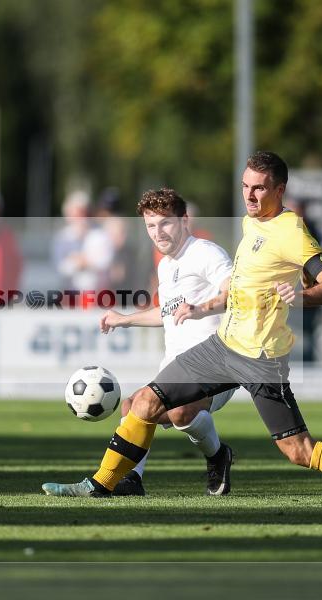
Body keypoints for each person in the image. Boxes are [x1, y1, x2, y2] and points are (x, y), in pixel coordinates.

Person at [43, 151, 322, 501]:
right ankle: (100, 485)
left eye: (259, 188)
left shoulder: (291, 231)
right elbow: (242, 287)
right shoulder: (252, 223)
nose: (249, 195)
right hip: (222, 347)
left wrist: (301, 296)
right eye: (245, 186)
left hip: (261, 359)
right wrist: (203, 308)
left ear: (279, 190)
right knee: (144, 402)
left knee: (299, 451)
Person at [98, 188, 235, 496]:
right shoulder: (166, 264)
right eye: (150, 225)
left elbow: (234, 294)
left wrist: (201, 309)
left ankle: (217, 455)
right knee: (132, 406)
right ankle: (132, 479)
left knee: (179, 412)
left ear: (184, 221)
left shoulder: (206, 252)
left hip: (217, 363)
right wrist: (124, 319)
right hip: (177, 367)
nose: (157, 232)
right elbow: (168, 313)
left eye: (165, 223)